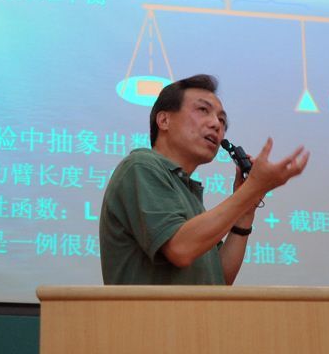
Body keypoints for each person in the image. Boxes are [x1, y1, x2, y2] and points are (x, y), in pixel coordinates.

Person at [99, 74, 309, 285]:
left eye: (222, 120)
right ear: (164, 120)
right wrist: (252, 189)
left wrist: (246, 212)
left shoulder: (187, 191)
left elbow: (219, 279)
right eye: (203, 110)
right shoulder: (141, 166)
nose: (216, 124)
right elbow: (180, 249)